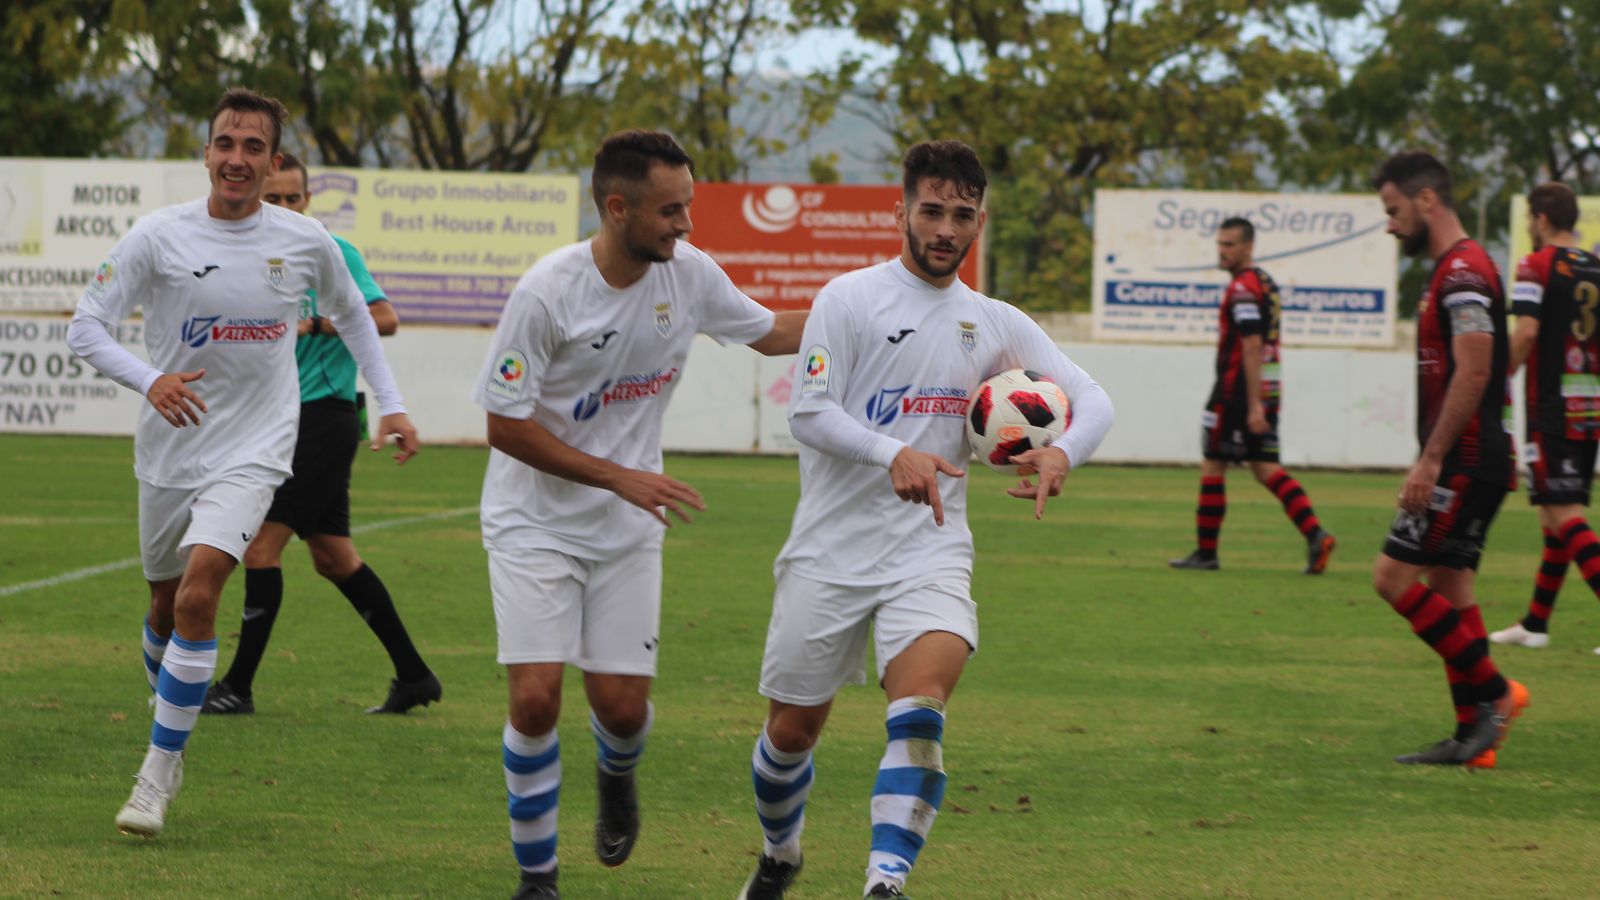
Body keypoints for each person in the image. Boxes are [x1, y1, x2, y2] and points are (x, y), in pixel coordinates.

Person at [736, 140, 1114, 900]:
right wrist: (891, 454)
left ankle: (885, 882)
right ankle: (781, 853)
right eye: (933, 211)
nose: (946, 229)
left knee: (921, 712)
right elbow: (809, 414)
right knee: (790, 736)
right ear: (901, 209)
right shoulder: (847, 300)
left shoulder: (993, 320)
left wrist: (1064, 452)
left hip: (929, 553)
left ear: (981, 219)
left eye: (963, 215)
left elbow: (1094, 398)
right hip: (828, 553)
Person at [66, 87, 418, 838]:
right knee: (164, 605)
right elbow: (86, 328)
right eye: (226, 143)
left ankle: (156, 776)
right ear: (206, 152)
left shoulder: (303, 241)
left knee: (200, 597)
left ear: (271, 160)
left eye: (252, 147)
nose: (237, 159)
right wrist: (150, 379)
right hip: (170, 447)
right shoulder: (158, 237)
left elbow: (356, 313)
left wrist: (389, 402)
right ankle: (172, 703)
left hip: (258, 447)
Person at [473, 130, 806, 900]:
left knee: (622, 712)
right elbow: (504, 425)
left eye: (687, 207)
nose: (685, 225)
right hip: (534, 523)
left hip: (625, 527)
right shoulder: (546, 293)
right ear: (617, 207)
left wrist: (870, 306)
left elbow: (771, 333)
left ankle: (616, 772)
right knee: (534, 698)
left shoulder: (688, 275)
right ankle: (538, 879)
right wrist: (616, 475)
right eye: (670, 210)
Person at [200, 152, 441, 717]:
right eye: (275, 198)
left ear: (308, 200)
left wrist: (316, 324)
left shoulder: (332, 252)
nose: (284, 206)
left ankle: (238, 686)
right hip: (275, 417)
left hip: (322, 419)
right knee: (334, 558)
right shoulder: (252, 256)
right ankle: (415, 676)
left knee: (260, 549)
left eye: (293, 198)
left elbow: (384, 318)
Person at [1369, 150, 1527, 768]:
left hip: (1462, 458)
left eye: (1393, 210)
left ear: (1426, 200)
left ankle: (1495, 692)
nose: (1390, 224)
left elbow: (1477, 368)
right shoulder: (1453, 269)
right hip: (1473, 456)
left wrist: (1430, 459)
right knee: (1452, 587)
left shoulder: (1463, 272)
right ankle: (1472, 740)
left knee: (1392, 578)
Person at [1169, 216, 1336, 573]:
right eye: (1220, 244)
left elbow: (1252, 343)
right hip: (1267, 386)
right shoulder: (1265, 282)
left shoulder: (1243, 288)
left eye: (1229, 245)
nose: (1222, 250)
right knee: (1265, 467)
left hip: (1237, 391)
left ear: (1248, 247)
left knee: (1214, 461)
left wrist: (1254, 403)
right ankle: (1315, 534)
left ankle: (1206, 552)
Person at [1489, 183, 1600, 653]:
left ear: (1541, 219)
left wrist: (1495, 384)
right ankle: (1535, 623)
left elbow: (1527, 331)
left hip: (1550, 406)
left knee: (1563, 513)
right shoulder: (1596, 267)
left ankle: (1537, 623)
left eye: (1531, 219)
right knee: (1553, 519)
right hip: (1588, 402)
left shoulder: (1535, 265)